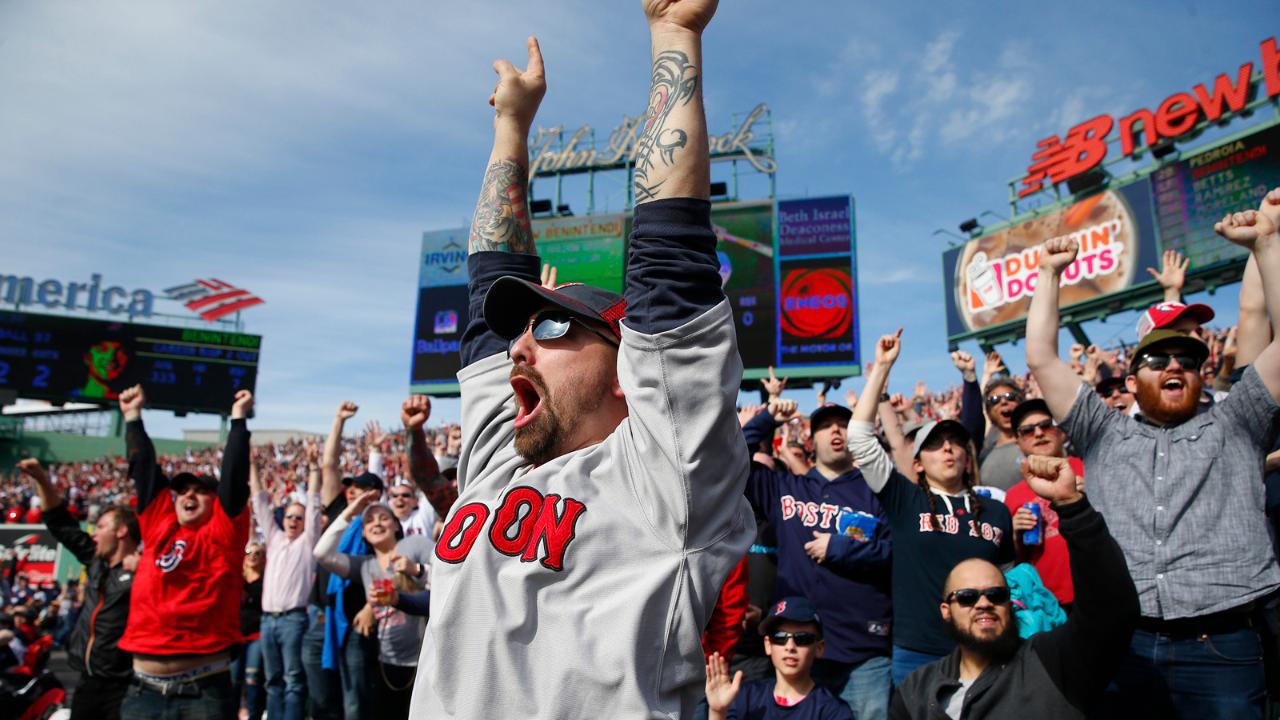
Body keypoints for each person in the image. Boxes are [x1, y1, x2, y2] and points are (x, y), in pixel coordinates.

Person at [408, 3, 754, 715]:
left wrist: (674, 36)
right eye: (523, 332)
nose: (521, 346)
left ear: (632, 374)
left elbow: (670, 266)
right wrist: (511, 128)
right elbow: (485, 295)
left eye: (558, 328)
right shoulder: (498, 462)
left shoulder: (665, 481)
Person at [1023, 187, 1280, 718]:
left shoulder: (1238, 419)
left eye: (1186, 357)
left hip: (1222, 646)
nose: (1173, 366)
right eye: (1157, 358)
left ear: (1202, 369)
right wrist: (1048, 275)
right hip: (1125, 645)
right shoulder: (1103, 430)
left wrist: (1267, 246)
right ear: (1132, 376)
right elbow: (1042, 356)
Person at [891, 455, 1139, 719]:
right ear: (945, 610)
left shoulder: (1053, 664)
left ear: (1010, 604)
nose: (984, 603)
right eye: (966, 597)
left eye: (996, 594)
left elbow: (1112, 611)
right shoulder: (915, 691)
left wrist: (1072, 507)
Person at [850, 329, 1014, 685]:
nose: (948, 449)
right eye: (936, 445)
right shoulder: (903, 498)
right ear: (919, 463)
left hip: (986, 647)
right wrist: (881, 368)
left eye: (955, 443)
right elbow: (859, 439)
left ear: (968, 458)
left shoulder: (996, 511)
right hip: (918, 652)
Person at [739, 399, 891, 717]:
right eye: (825, 425)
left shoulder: (878, 492)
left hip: (863, 652)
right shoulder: (785, 488)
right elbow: (732, 461)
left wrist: (844, 549)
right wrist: (767, 419)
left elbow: (899, 555)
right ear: (811, 441)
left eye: (844, 424)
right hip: (799, 649)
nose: (835, 429)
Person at [116, 385, 253, 720]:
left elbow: (234, 478)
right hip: (141, 691)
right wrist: (133, 417)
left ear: (215, 501)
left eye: (201, 491)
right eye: (183, 490)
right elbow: (145, 469)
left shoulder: (222, 532)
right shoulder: (158, 523)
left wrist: (238, 421)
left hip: (202, 692)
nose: (188, 496)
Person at [17, 458, 139, 720]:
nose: (94, 534)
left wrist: (145, 568)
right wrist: (41, 478)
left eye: (102, 527)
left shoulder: (144, 572)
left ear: (122, 531)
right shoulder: (96, 562)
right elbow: (59, 522)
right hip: (87, 682)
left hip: (125, 687)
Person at [315, 491, 431, 720]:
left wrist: (414, 571)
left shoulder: (413, 544)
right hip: (386, 661)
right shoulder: (365, 565)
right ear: (364, 535)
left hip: (424, 661)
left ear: (396, 526)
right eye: (369, 521)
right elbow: (322, 554)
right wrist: (350, 513)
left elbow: (446, 573)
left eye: (383, 517)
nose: (376, 523)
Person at [251, 446, 323, 720]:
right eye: (290, 516)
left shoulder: (308, 542)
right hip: (268, 620)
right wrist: (253, 467)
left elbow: (315, 504)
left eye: (299, 517)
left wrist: (314, 469)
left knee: (293, 680)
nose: (294, 520)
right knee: (272, 680)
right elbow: (259, 503)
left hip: (294, 619)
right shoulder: (275, 539)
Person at [706, 597, 853, 720]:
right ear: (768, 645)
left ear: (819, 648)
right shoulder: (746, 697)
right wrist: (718, 712)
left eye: (802, 638)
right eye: (780, 637)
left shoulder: (833, 711)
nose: (790, 646)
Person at [1002, 399, 1082, 609]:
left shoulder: (1088, 470)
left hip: (1098, 590)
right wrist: (1016, 536)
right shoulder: (1013, 495)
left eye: (1046, 425)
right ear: (1018, 442)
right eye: (1028, 430)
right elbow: (1018, 564)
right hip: (1047, 603)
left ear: (1061, 432)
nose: (1038, 433)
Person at [232, 542, 265, 720]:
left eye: (258, 553)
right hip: (236, 636)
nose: (253, 556)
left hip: (256, 636)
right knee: (233, 680)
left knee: (252, 679)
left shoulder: (266, 581)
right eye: (249, 552)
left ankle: (254, 716)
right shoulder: (237, 580)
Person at [977, 377, 1024, 491]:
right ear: (988, 413)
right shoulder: (983, 454)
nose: (1003, 402)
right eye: (994, 400)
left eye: (1010, 397)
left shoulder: (1039, 442)